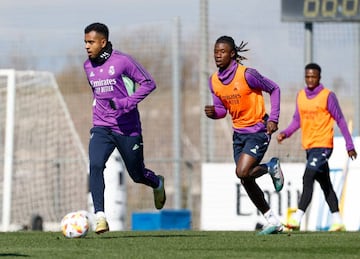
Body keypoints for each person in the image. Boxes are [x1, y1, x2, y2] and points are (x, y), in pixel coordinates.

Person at [83, 22, 166, 234]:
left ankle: (157, 182)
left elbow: (149, 83)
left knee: (137, 175)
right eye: (85, 42)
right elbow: (98, 95)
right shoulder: (87, 66)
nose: (87, 46)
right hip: (101, 126)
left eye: (91, 42)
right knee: (95, 165)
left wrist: (126, 103)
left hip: (127, 128)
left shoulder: (123, 61)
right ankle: (100, 216)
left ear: (103, 42)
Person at [204, 35, 284, 235]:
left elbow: (274, 89)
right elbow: (222, 110)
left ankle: (270, 167)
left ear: (232, 54)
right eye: (216, 52)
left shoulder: (248, 75)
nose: (218, 55)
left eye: (222, 52)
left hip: (258, 130)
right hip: (238, 135)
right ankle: (272, 220)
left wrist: (273, 118)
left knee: (241, 172)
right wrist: (215, 113)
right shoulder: (214, 81)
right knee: (245, 178)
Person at [277, 63, 357, 232]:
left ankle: (297, 218)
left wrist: (349, 145)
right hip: (310, 147)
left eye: (313, 76)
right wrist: (286, 133)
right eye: (308, 77)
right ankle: (338, 220)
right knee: (325, 184)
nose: (310, 79)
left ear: (319, 77)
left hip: (323, 145)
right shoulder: (300, 96)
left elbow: (341, 121)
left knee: (308, 176)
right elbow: (297, 120)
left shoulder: (328, 96)